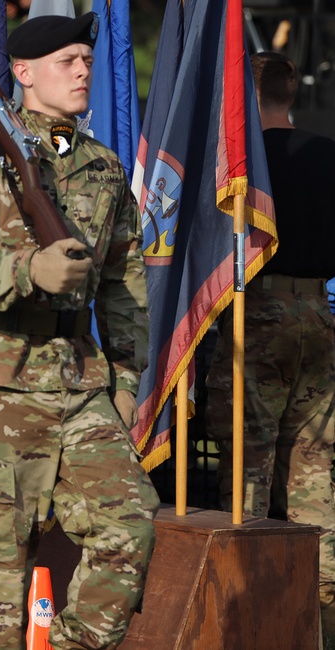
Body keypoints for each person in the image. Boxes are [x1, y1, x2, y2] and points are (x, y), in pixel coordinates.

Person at [0, 14, 159, 649]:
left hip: (80, 382)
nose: (85, 70)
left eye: (87, 59)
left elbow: (123, 283)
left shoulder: (105, 168)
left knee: (131, 524)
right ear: (24, 75)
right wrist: (30, 268)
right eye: (68, 61)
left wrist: (127, 378)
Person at [205, 51, 335, 634]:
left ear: (246, 99)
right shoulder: (328, 156)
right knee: (313, 469)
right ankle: (321, 614)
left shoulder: (241, 167)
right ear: (288, 94)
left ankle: (249, 611)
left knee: (247, 468)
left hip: (254, 316)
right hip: (319, 314)